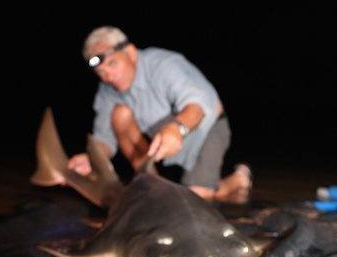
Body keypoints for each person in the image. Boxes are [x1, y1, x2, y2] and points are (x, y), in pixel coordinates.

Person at [65, 26, 252, 204]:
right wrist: (91, 159)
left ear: (130, 52)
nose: (108, 76)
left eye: (113, 64)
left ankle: (238, 179)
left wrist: (177, 128)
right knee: (120, 114)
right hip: (163, 144)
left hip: (206, 128)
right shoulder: (107, 90)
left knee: (197, 198)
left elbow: (197, 106)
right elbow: (104, 138)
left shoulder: (164, 64)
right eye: (100, 72)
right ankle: (152, 184)